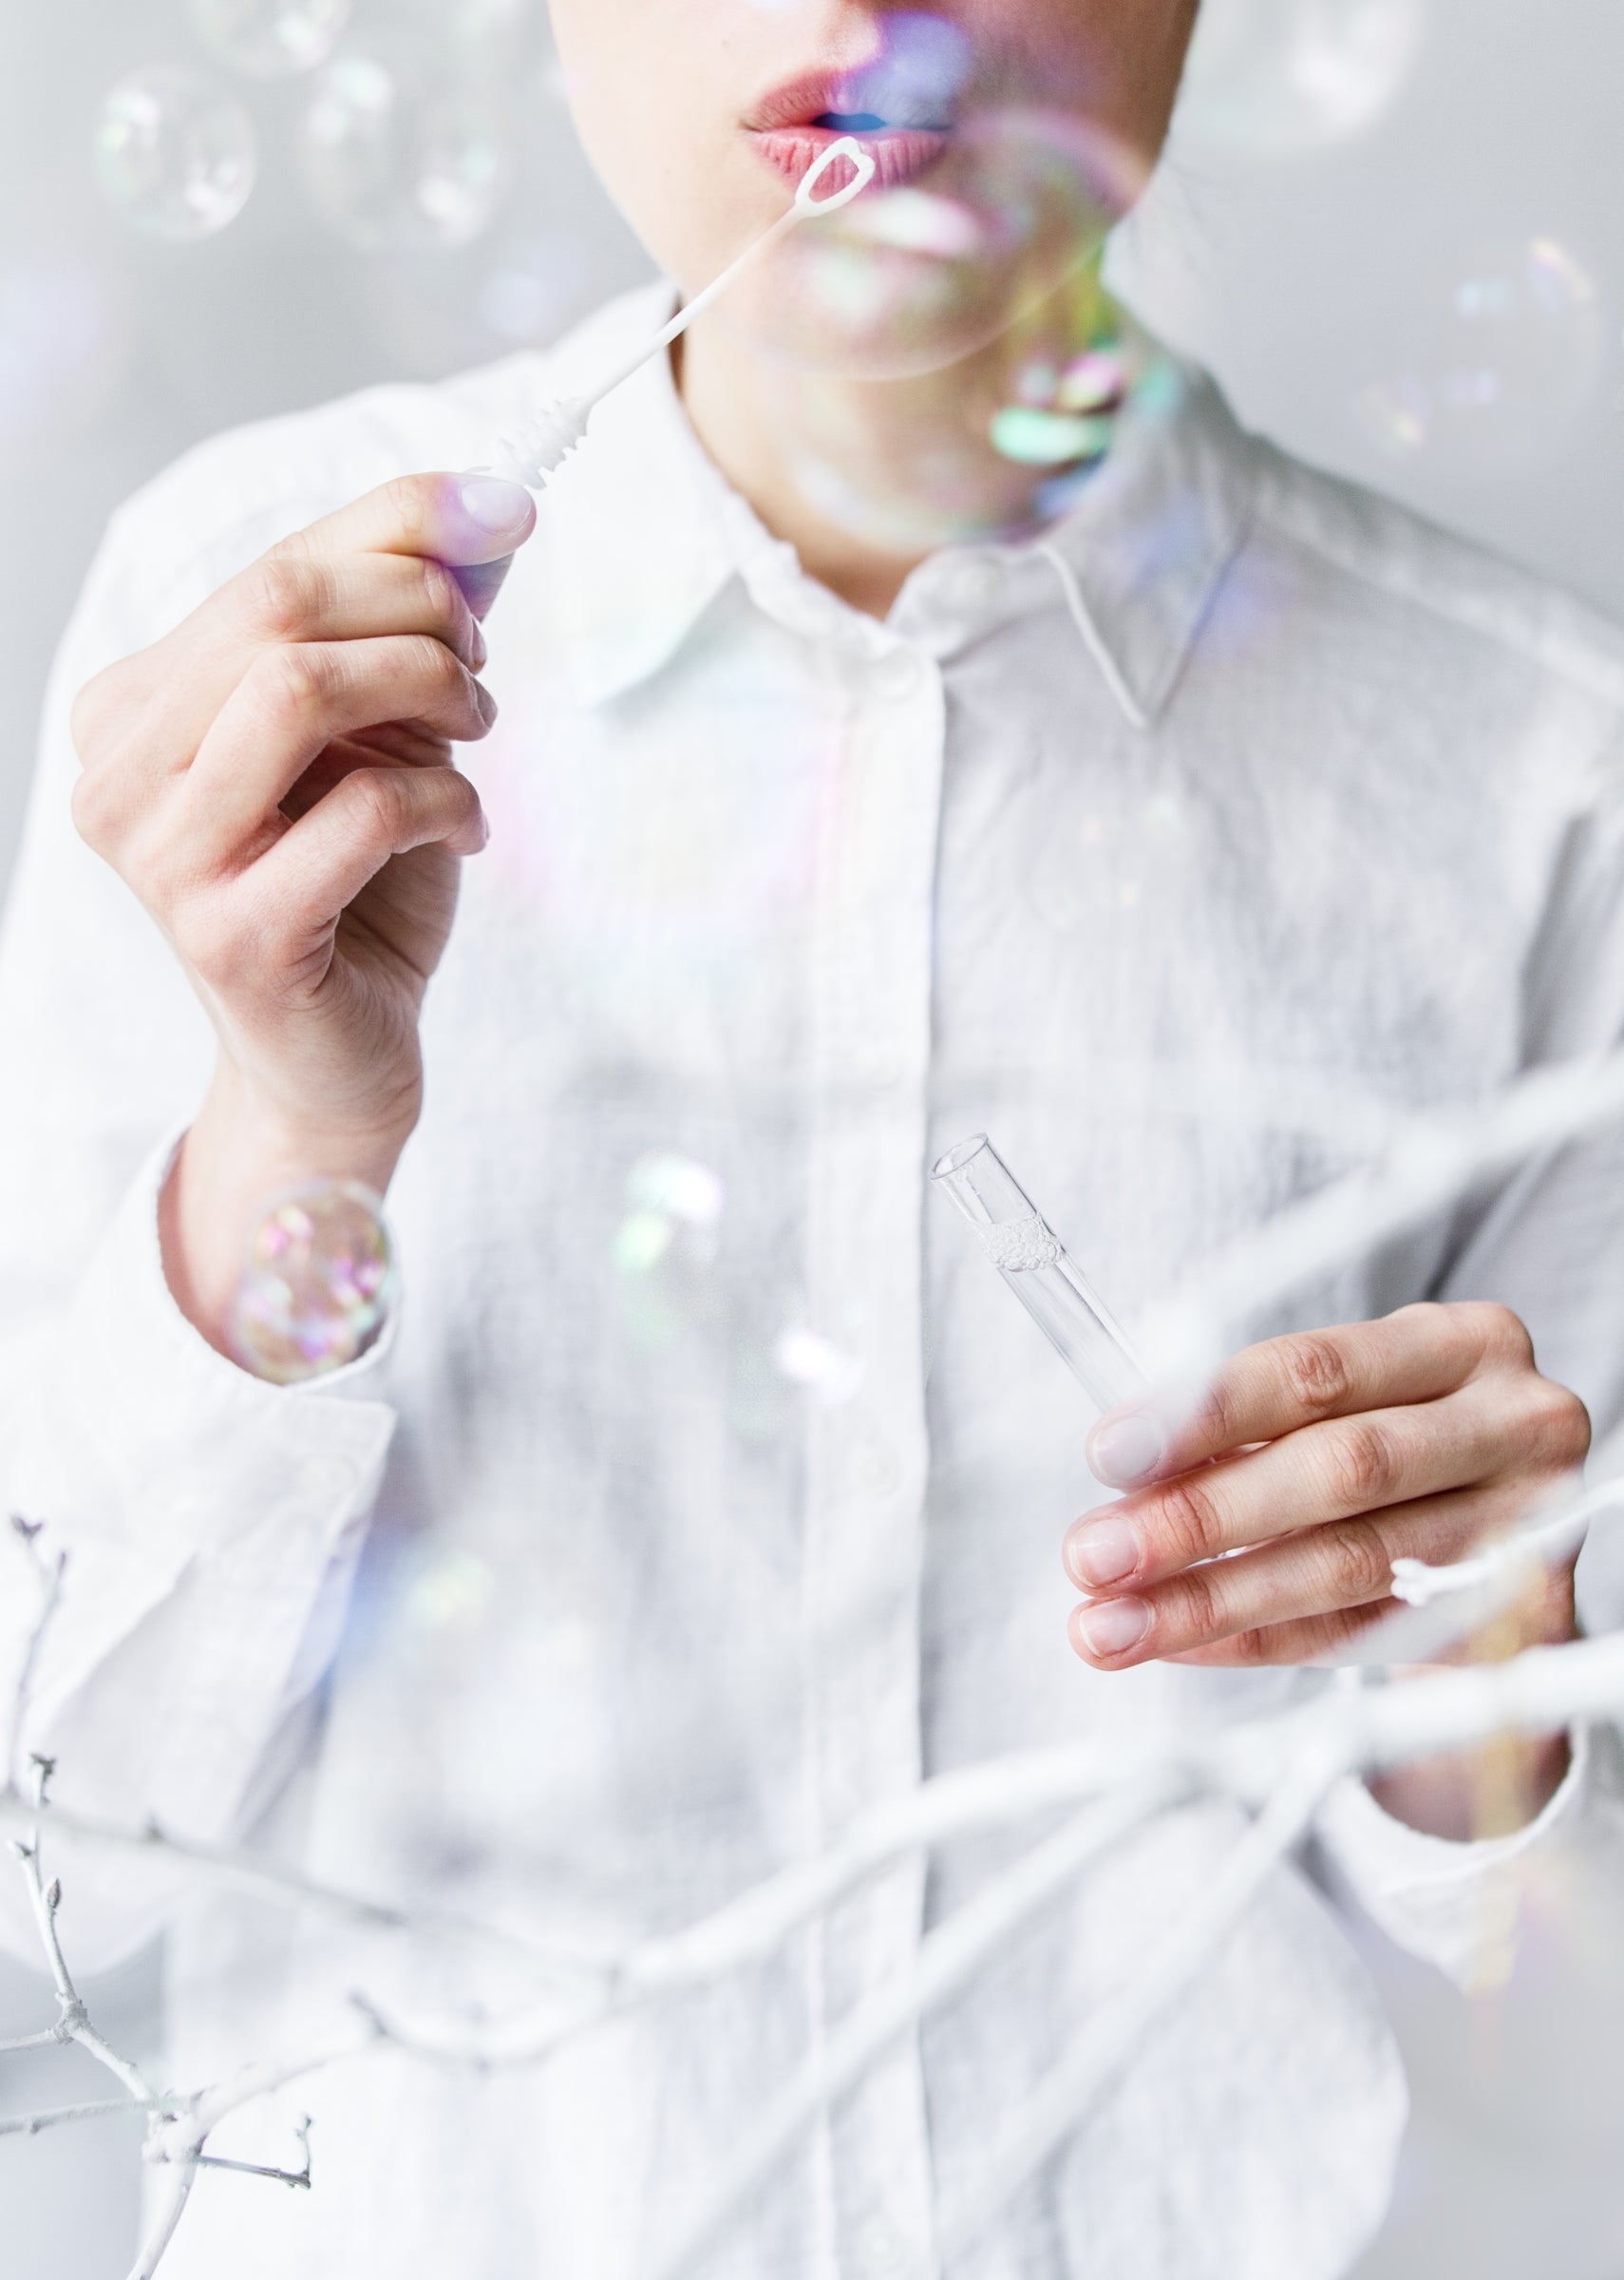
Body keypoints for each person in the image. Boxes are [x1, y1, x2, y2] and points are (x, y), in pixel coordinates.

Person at [2, 3, 1622, 2273]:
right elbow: (53, 1864)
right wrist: (292, 1120)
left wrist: (1481, 1670)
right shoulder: (234, 662)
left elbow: (1536, 1977)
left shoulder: (1541, 771)